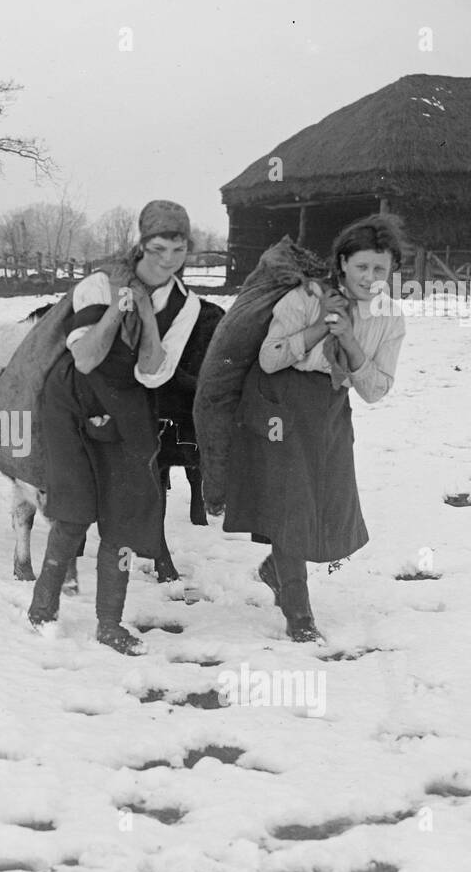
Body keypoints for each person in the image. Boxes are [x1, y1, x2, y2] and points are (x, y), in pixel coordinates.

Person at [28, 200, 207, 655]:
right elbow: (86, 357)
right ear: (140, 246)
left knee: (124, 515)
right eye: (158, 248)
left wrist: (146, 318)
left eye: (178, 249)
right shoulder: (99, 284)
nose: (168, 259)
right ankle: (42, 608)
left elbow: (153, 374)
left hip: (129, 402)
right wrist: (114, 313)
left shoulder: (186, 306)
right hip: (72, 398)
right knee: (74, 509)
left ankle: (109, 623)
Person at [223, 213, 408, 642]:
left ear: (393, 271)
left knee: (326, 506)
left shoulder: (391, 318)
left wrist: (348, 338)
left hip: (330, 408)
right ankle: (298, 614)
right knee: (293, 508)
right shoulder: (304, 298)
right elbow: (270, 360)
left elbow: (376, 389)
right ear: (342, 263)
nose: (370, 277)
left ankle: (275, 569)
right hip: (279, 403)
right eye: (361, 266)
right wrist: (317, 326)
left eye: (380, 268)